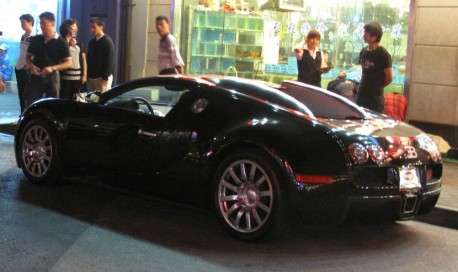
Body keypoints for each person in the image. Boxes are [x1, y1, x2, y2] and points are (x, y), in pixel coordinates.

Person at [25, 12, 72, 108]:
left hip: (52, 78)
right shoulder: (36, 39)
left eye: (44, 23)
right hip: (36, 77)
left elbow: (68, 63)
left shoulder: (61, 42)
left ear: (52, 23)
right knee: (31, 104)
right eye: (40, 23)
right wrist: (32, 67)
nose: (42, 26)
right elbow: (28, 57)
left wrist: (53, 68)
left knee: (52, 106)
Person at [356, 21, 394, 113]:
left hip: (375, 97)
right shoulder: (363, 51)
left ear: (374, 37)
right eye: (364, 32)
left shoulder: (383, 54)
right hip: (361, 94)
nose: (364, 35)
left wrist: (377, 86)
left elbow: (389, 77)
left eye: (366, 33)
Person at [59, 18, 87, 100]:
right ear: (68, 28)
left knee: (76, 98)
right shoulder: (61, 42)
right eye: (74, 26)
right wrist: (70, 45)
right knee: (65, 98)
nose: (76, 28)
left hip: (78, 77)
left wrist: (84, 75)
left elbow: (84, 60)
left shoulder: (79, 43)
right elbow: (60, 57)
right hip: (65, 77)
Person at [86, 17, 114, 92]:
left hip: (102, 78)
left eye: (94, 27)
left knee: (101, 99)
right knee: (91, 99)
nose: (91, 30)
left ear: (101, 27)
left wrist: (105, 77)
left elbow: (109, 60)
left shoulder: (107, 41)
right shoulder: (91, 42)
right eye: (90, 27)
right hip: (92, 77)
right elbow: (89, 59)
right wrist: (87, 75)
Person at [15, 14, 34, 112]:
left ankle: (27, 113)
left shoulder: (34, 36)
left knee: (27, 93)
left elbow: (36, 53)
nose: (21, 25)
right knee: (20, 92)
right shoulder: (23, 36)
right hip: (19, 67)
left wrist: (29, 64)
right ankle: (22, 113)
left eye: (23, 22)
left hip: (27, 68)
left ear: (30, 22)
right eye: (21, 23)